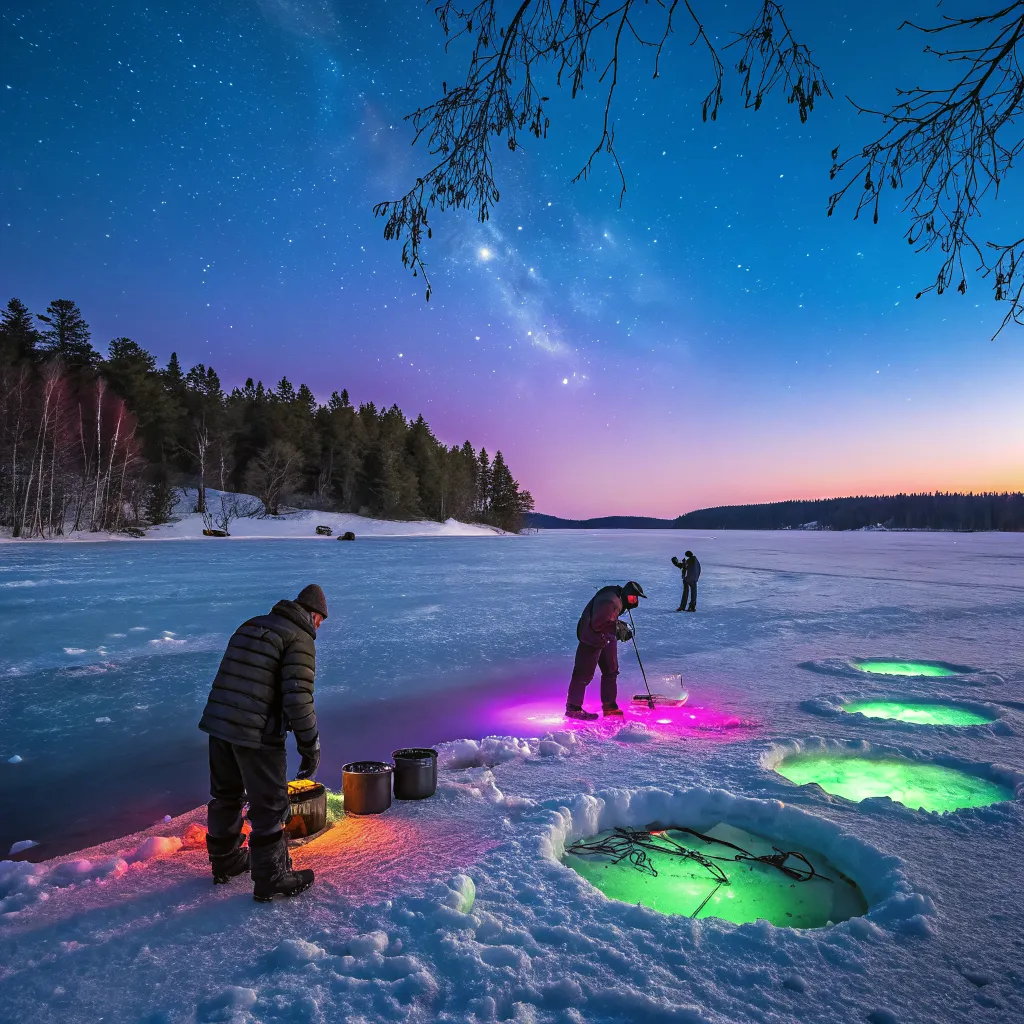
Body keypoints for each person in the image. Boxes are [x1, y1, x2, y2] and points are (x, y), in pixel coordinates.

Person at [198, 584, 326, 902]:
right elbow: (298, 698)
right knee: (270, 806)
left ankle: (226, 861)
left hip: (219, 723)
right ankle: (272, 877)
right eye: (320, 621)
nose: (319, 628)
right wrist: (310, 745)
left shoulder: (252, 624)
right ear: (312, 615)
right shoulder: (299, 637)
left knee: (225, 795)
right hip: (257, 733)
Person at [565, 581, 647, 720]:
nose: (634, 601)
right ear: (626, 594)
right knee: (583, 673)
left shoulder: (617, 598)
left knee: (611, 670)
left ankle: (610, 706)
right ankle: (573, 708)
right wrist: (618, 629)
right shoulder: (611, 601)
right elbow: (598, 623)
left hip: (606, 637)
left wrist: (618, 626)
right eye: (633, 598)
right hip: (591, 637)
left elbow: (608, 620)